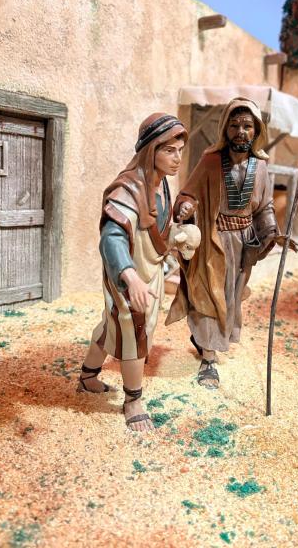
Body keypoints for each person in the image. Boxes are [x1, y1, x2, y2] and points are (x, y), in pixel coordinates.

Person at [78, 113, 188, 432]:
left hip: (150, 272)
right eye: (169, 150)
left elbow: (156, 232)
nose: (177, 158)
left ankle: (87, 377)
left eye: (180, 150)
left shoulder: (162, 184)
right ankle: (133, 401)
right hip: (129, 277)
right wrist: (130, 276)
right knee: (134, 333)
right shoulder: (127, 190)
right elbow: (111, 239)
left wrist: (178, 240)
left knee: (110, 325)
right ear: (151, 150)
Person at [166, 97, 280, 389]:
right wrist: (185, 206)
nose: (240, 131)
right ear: (225, 129)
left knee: (229, 300)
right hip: (213, 241)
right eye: (234, 125)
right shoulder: (211, 161)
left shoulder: (261, 167)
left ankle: (207, 341)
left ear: (256, 130)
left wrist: (272, 233)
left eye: (247, 126)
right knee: (208, 296)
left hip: (243, 246)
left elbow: (265, 207)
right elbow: (188, 193)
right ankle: (208, 360)